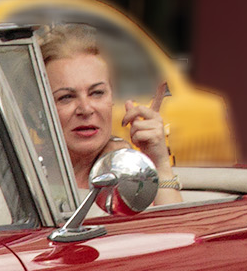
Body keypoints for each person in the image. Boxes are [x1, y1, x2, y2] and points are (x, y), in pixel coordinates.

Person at [38, 23, 181, 204]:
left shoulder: (132, 174)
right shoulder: (22, 172)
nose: (86, 109)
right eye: (66, 97)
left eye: (97, 93)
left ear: (112, 97)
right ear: (39, 108)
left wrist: (159, 164)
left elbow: (171, 231)